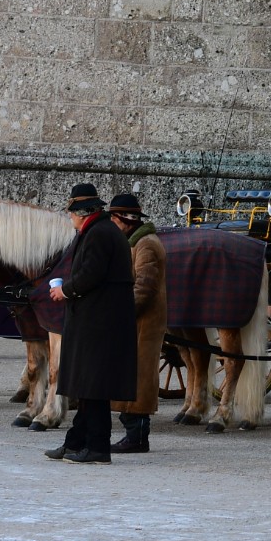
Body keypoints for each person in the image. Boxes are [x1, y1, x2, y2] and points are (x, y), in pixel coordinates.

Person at [42, 184, 137, 465]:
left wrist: (65, 290)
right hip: (97, 319)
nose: (70, 218)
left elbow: (90, 274)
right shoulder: (100, 230)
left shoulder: (99, 234)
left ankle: (97, 447)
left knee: (94, 387)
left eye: (71, 213)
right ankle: (76, 442)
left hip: (99, 321)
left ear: (81, 213)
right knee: (88, 387)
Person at [108, 193, 166, 455]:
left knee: (139, 379)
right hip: (136, 322)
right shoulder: (137, 241)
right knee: (131, 377)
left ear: (124, 220)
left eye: (114, 218)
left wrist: (123, 314)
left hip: (142, 324)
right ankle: (134, 434)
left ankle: (137, 437)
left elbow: (144, 287)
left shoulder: (145, 245)